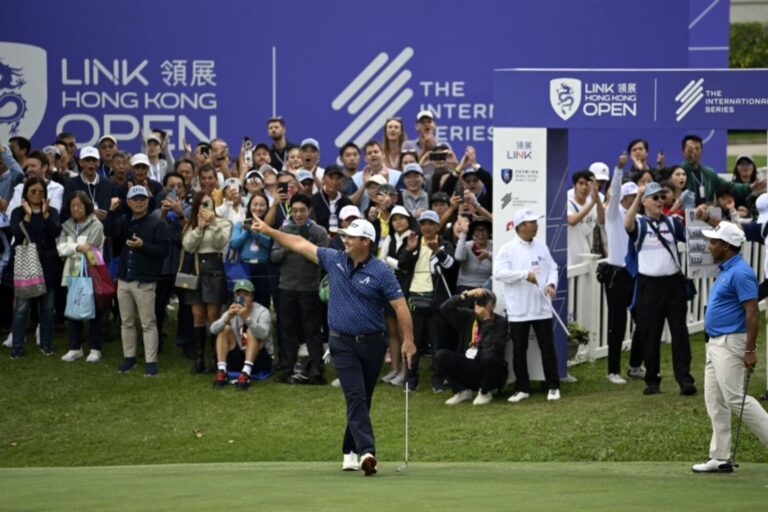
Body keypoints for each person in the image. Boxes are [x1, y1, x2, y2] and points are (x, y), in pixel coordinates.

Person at [250, 213, 416, 476]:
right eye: (345, 236)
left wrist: (408, 340)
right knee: (356, 396)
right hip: (342, 343)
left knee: (363, 399)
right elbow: (298, 243)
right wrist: (269, 230)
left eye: (350, 237)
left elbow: (400, 306)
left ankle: (349, 452)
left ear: (366, 241)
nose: (345, 240)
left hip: (373, 344)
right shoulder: (334, 259)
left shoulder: (381, 271)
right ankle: (367, 452)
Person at [692, 221, 768, 473]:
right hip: (715, 342)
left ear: (726, 246)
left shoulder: (741, 272)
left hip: (731, 342)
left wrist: (749, 350)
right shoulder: (727, 269)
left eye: (713, 242)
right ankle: (721, 456)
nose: (709, 246)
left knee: (736, 398)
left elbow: (752, 313)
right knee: (714, 399)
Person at [624, 182, 696, 396]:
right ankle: (652, 380)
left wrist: (698, 214)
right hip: (649, 286)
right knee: (650, 334)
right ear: (645, 201)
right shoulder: (639, 223)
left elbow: (692, 235)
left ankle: (685, 379)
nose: (659, 201)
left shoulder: (672, 222)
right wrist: (637, 197)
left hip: (673, 284)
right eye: (654, 198)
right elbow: (627, 224)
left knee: (680, 333)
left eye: (662, 197)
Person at [495, 209, 561, 402]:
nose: (536, 225)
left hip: (541, 307)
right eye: (532, 222)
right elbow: (499, 273)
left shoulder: (542, 247)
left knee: (547, 347)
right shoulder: (507, 249)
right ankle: (522, 388)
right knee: (519, 350)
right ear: (521, 226)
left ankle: (553, 386)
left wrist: (551, 284)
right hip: (519, 310)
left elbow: (552, 268)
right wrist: (525, 275)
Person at [104, 186, 169, 375]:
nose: (139, 202)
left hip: (145, 280)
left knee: (148, 322)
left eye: (142, 199)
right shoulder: (124, 220)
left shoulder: (158, 224)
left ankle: (151, 362)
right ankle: (129, 358)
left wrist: (143, 246)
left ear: (148, 201)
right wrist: (111, 211)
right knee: (126, 321)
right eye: (135, 199)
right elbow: (109, 231)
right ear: (129, 202)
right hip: (124, 278)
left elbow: (163, 251)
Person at [271, 194, 328, 384]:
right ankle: (287, 368)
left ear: (309, 211)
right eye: (294, 211)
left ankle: (315, 370)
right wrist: (289, 245)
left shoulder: (319, 232)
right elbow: (274, 256)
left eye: (302, 210)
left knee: (312, 331)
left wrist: (304, 245)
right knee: (287, 330)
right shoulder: (283, 231)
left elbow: (322, 258)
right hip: (286, 287)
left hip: (309, 289)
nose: (298, 214)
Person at [9, 178, 62, 358]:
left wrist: (46, 215)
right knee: (22, 308)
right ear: (26, 193)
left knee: (47, 308)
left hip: (48, 265)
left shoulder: (52, 212)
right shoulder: (18, 212)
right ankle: (17, 347)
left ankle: (46, 344)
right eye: (33, 191)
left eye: (41, 192)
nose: (37, 195)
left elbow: (56, 231)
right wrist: (28, 216)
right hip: (26, 265)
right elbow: (17, 233)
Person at [602, 171, 645, 383]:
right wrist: (618, 170)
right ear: (625, 198)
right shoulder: (614, 213)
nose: (637, 201)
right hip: (617, 274)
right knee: (617, 324)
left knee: (644, 320)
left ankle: (635, 365)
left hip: (636, 273)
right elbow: (615, 190)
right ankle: (613, 370)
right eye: (633, 197)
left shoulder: (638, 218)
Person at [182, 191, 233, 373]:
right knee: (197, 315)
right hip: (195, 271)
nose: (205, 208)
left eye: (208, 204)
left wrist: (212, 224)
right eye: (202, 204)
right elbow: (188, 246)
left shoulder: (224, 223)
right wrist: (199, 228)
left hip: (214, 271)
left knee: (213, 315)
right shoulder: (191, 225)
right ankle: (198, 359)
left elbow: (221, 243)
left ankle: (215, 357)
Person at [436, 288, 509, 406]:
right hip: (469, 365)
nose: (481, 304)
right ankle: (462, 391)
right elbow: (444, 309)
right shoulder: (467, 316)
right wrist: (466, 295)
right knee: (441, 355)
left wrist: (486, 320)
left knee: (487, 355)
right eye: (479, 301)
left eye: (485, 302)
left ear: (494, 306)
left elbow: (491, 347)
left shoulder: (500, 322)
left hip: (490, 372)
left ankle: (485, 392)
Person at [56, 192, 105, 363]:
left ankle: (95, 348)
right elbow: (61, 248)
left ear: (86, 206)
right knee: (72, 310)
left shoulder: (96, 225)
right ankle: (74, 347)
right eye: (73, 205)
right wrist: (77, 247)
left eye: (80, 205)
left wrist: (72, 247)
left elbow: (90, 247)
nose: (76, 209)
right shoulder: (67, 225)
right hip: (71, 273)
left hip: (92, 273)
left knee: (95, 312)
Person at [210, 279, 273, 390]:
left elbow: (263, 334)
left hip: (259, 358)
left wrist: (247, 319)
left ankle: (246, 373)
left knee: (250, 331)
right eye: (238, 294)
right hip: (238, 355)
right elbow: (213, 330)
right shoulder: (232, 310)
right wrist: (227, 318)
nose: (242, 298)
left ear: (252, 297)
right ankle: (221, 370)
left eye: (246, 295)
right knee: (225, 329)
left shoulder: (262, 311)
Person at [680, 134, 763, 206]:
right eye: (690, 150)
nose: (694, 152)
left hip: (707, 216)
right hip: (686, 215)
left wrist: (748, 187)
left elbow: (729, 186)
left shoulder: (709, 173)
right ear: (683, 151)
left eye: (697, 149)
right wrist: (689, 161)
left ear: (702, 151)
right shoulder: (680, 171)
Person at [567, 169, 605, 266]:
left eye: (588, 184)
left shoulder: (592, 203)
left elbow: (602, 220)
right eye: (581, 183)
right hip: (570, 257)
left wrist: (597, 198)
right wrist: (592, 202)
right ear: (574, 185)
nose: (584, 187)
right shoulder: (566, 202)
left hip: (587, 255)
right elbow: (572, 221)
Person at [454, 217, 493, 293]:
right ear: (473, 232)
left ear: (489, 232)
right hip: (465, 287)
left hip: (485, 288)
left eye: (484, 230)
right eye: (477, 230)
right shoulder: (467, 245)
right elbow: (458, 257)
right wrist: (463, 233)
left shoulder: (493, 246)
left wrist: (488, 255)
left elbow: (500, 263)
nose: (481, 234)